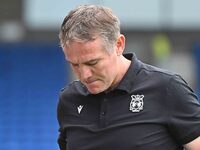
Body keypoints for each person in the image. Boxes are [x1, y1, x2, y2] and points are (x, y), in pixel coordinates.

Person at [57, 5, 200, 150]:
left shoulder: (167, 88)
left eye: (92, 62)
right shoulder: (69, 99)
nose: (84, 75)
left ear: (119, 45)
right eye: (75, 64)